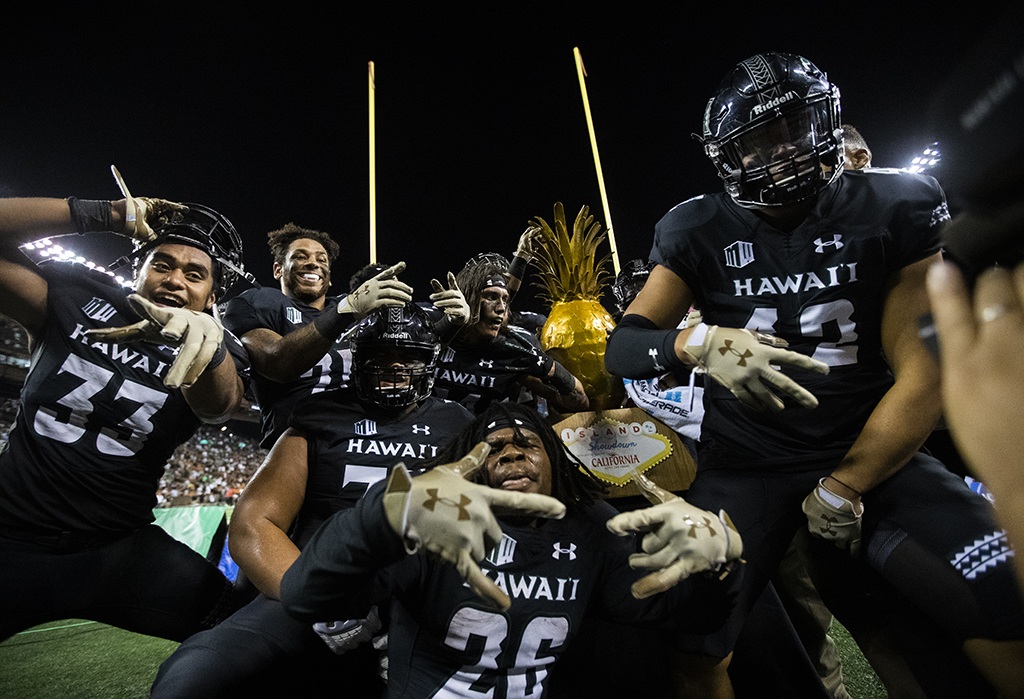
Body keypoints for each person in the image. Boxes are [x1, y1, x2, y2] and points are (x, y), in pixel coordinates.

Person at [605, 52, 1024, 697]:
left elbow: (921, 369)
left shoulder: (893, 202)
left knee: (1000, 598)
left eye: (792, 127)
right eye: (757, 141)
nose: (780, 152)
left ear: (823, 121)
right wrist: (700, 341)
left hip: (867, 446)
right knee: (693, 638)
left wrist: (849, 481)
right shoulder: (698, 226)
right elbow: (623, 348)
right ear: (727, 156)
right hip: (747, 464)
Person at [279, 400, 743, 698]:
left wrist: (716, 568)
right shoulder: (435, 521)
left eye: (527, 445)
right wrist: (382, 516)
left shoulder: (591, 528)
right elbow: (302, 596)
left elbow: (693, 617)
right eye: (493, 448)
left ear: (556, 460)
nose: (511, 454)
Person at [151, 302, 476, 697]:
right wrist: (318, 597)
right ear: (358, 360)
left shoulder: (459, 423)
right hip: (321, 583)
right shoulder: (321, 414)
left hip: (429, 597)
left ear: (431, 362)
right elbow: (253, 523)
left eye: (409, 356)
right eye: (381, 356)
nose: (394, 367)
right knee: (198, 670)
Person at [0, 172, 251, 643]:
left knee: (243, 637)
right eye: (162, 264)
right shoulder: (77, 298)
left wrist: (209, 347)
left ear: (212, 296)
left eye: (195, 275)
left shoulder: (218, 346)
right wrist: (104, 214)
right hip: (10, 535)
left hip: (117, 548)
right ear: (139, 269)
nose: (175, 280)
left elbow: (220, 405)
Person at [432, 260, 590, 416]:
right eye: (492, 297)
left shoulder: (513, 347)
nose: (501, 308)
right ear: (467, 299)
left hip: (486, 437)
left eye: (505, 300)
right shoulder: (431, 327)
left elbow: (580, 403)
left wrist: (552, 370)